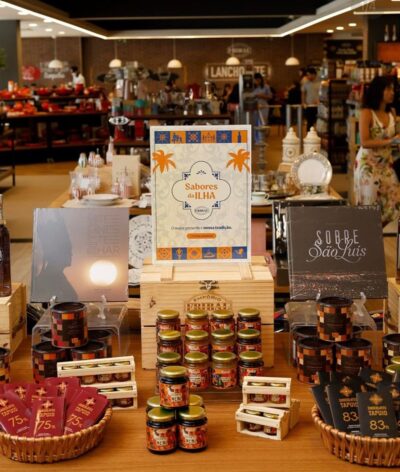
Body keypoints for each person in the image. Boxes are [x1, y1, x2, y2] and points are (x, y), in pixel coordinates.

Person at [354, 75, 400, 224]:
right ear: (378, 90)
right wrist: (390, 141)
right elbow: (365, 142)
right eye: (388, 89)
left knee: (393, 204)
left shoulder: (392, 112)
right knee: (370, 206)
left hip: (386, 165)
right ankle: (369, 234)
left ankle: (376, 233)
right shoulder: (367, 113)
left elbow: (395, 136)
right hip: (368, 166)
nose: (392, 92)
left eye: (393, 89)